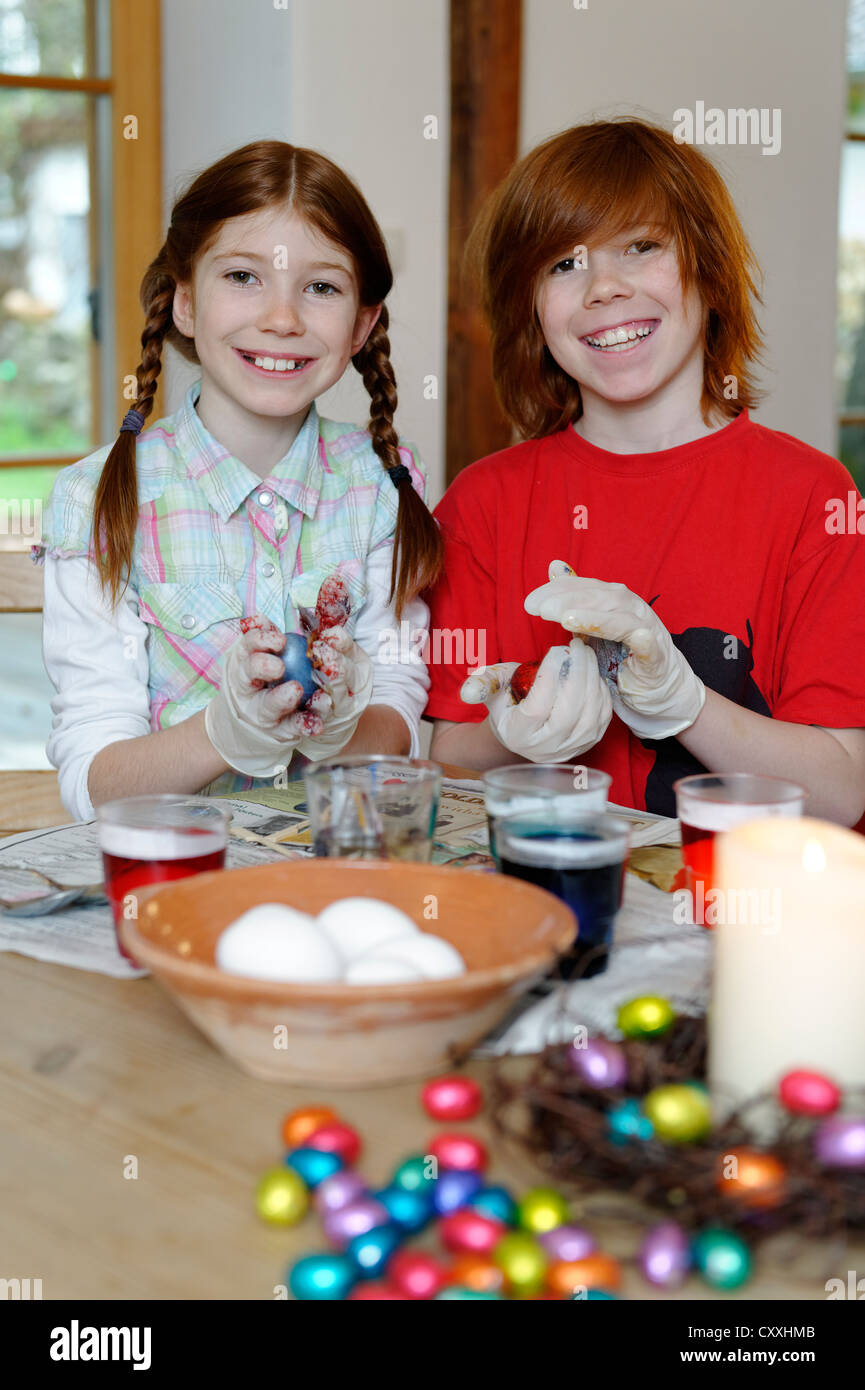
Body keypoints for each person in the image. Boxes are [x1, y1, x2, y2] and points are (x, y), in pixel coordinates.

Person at [424, 119, 865, 829]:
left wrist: (683, 703)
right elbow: (448, 762)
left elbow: (840, 795)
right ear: (530, 312)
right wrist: (512, 736)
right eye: (562, 264)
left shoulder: (816, 499)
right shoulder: (481, 503)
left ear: (710, 271)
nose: (602, 286)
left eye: (640, 246)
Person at [33, 141, 442, 821]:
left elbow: (397, 708)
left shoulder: (384, 486)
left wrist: (339, 725)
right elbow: (93, 782)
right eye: (243, 277)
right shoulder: (96, 499)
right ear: (184, 303)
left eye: (320, 287)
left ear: (361, 325)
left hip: (336, 862)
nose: (281, 318)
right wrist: (227, 732)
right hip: (173, 874)